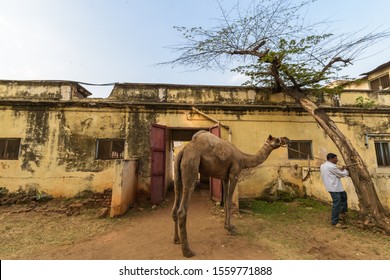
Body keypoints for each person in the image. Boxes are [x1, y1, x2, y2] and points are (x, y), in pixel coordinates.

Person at [320, 153, 349, 229]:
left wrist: (341, 169)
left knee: (344, 196)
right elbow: (341, 175)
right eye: (336, 158)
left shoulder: (323, 165)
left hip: (334, 187)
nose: (337, 160)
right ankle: (335, 221)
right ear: (331, 159)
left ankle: (342, 214)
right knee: (337, 203)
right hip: (334, 187)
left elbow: (334, 172)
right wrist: (345, 169)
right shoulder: (331, 166)